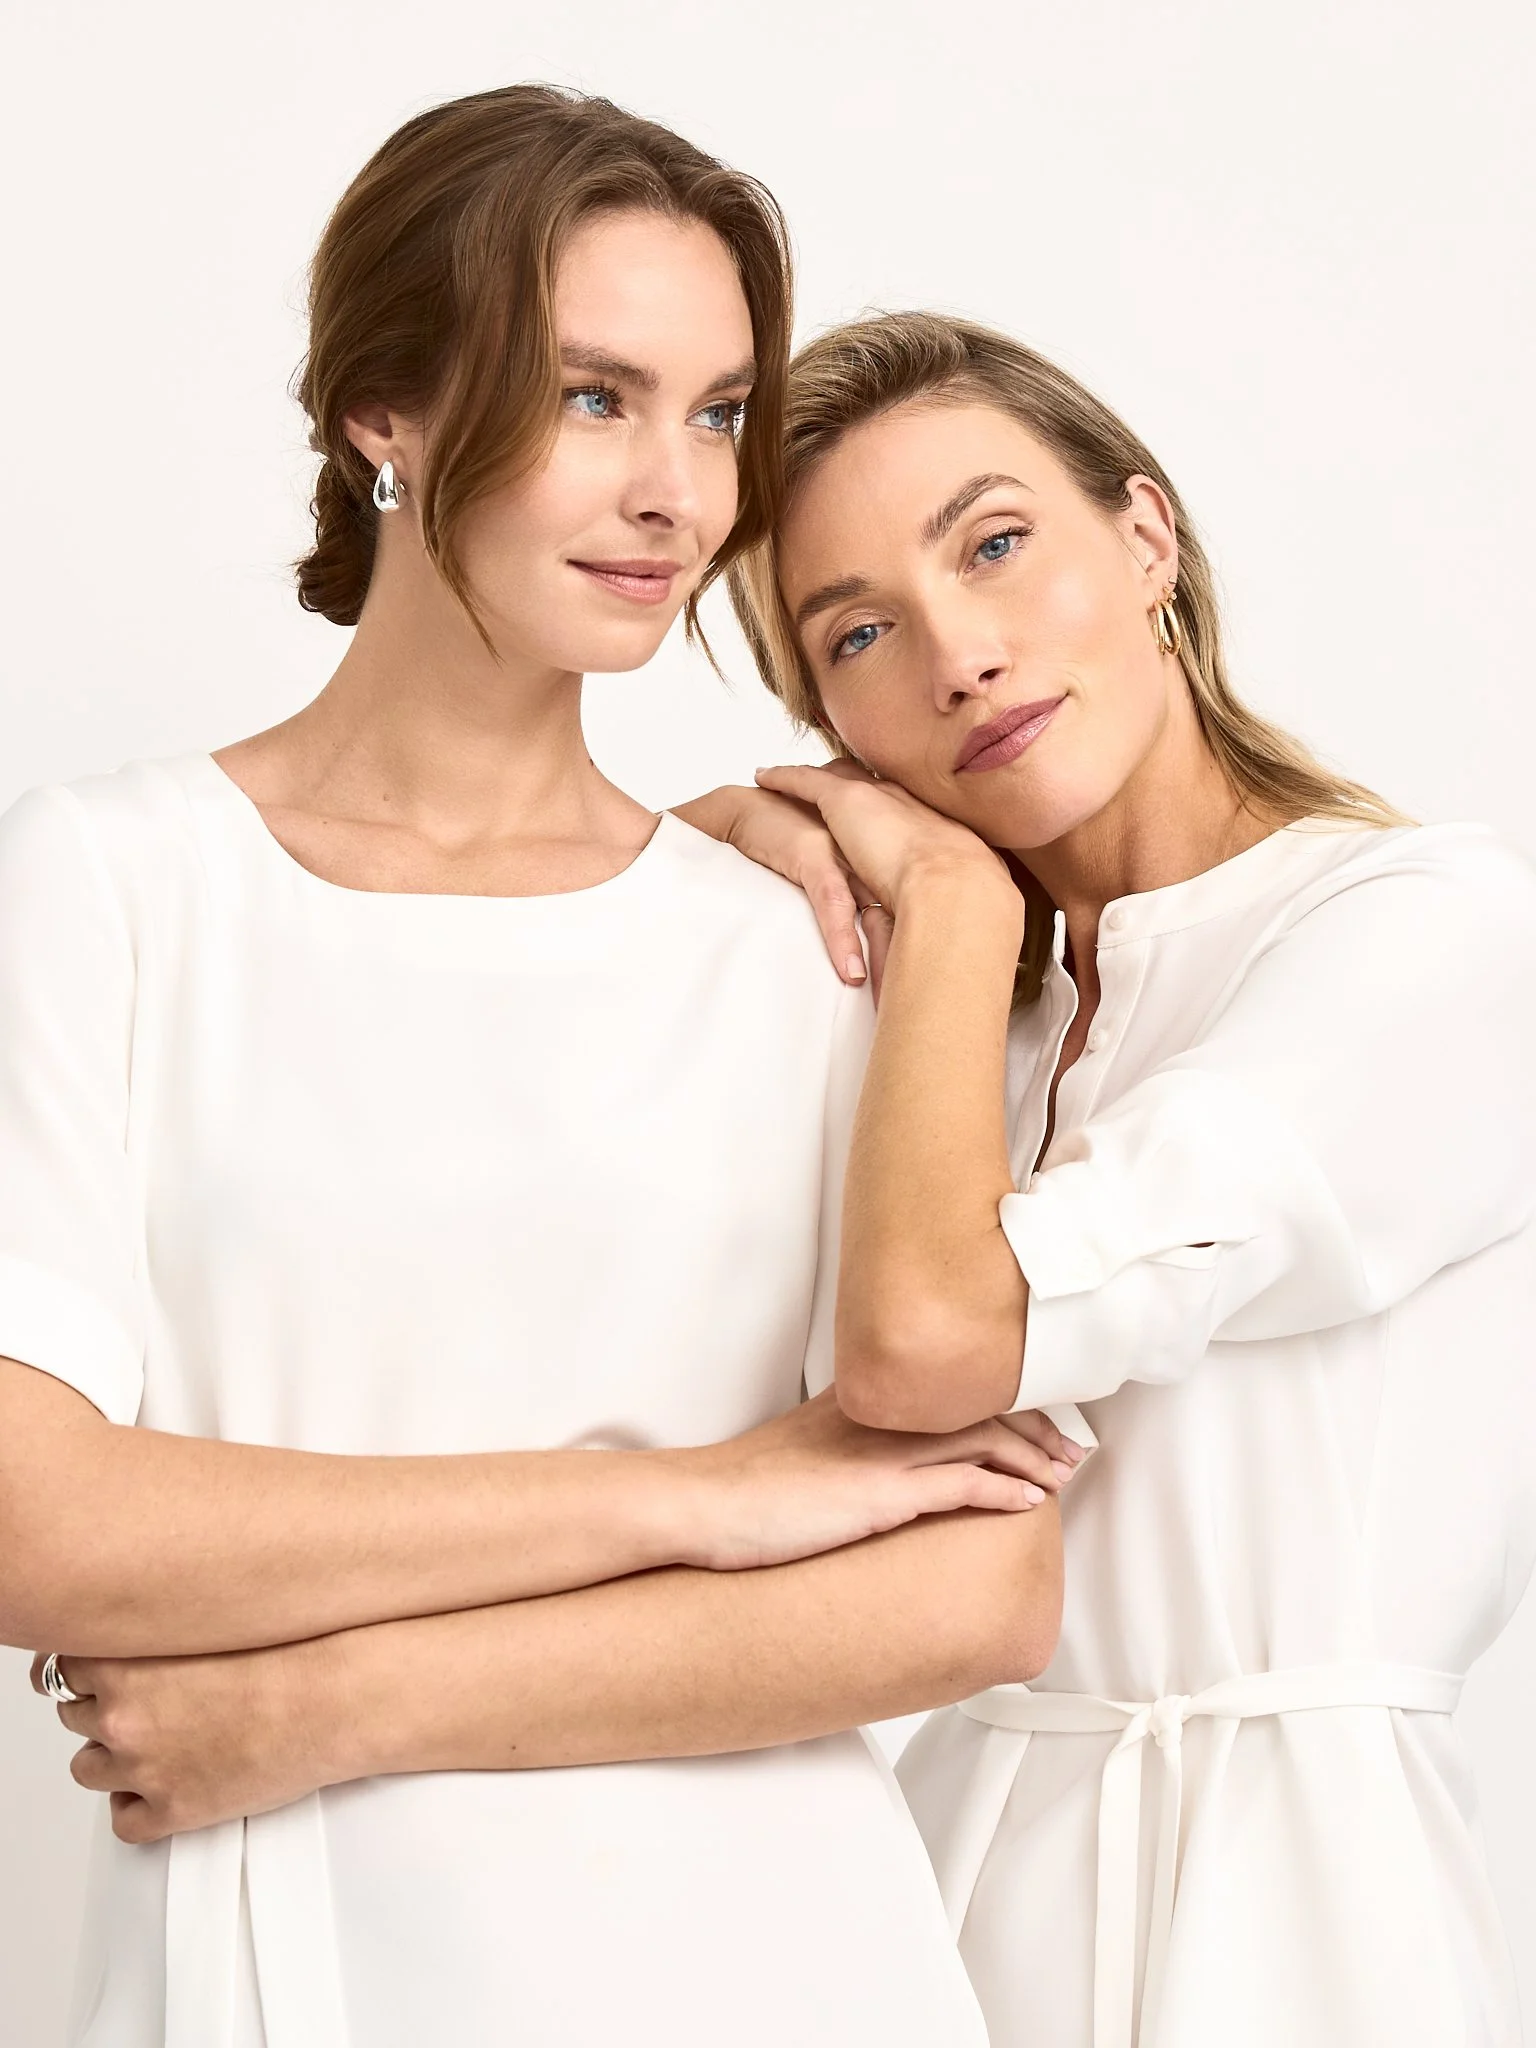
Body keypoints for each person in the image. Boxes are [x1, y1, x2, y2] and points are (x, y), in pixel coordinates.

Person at [0, 99, 1078, 2048]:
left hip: (781, 1955)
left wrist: (334, 1678)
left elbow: (976, 1588)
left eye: (719, 412)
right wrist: (697, 1499)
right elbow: (32, 1520)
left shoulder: (801, 943)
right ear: (383, 414)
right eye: (596, 396)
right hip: (295, 1939)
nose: (677, 492)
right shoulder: (113, 881)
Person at [698, 309, 1536, 2048]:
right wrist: (720, 859)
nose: (961, 656)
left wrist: (952, 907)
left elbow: (927, 1341)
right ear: (834, 723)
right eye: (860, 633)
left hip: (1301, 1917)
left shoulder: (1428, 932)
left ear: (1146, 538)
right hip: (919, 1902)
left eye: (996, 544)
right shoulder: (949, 1033)